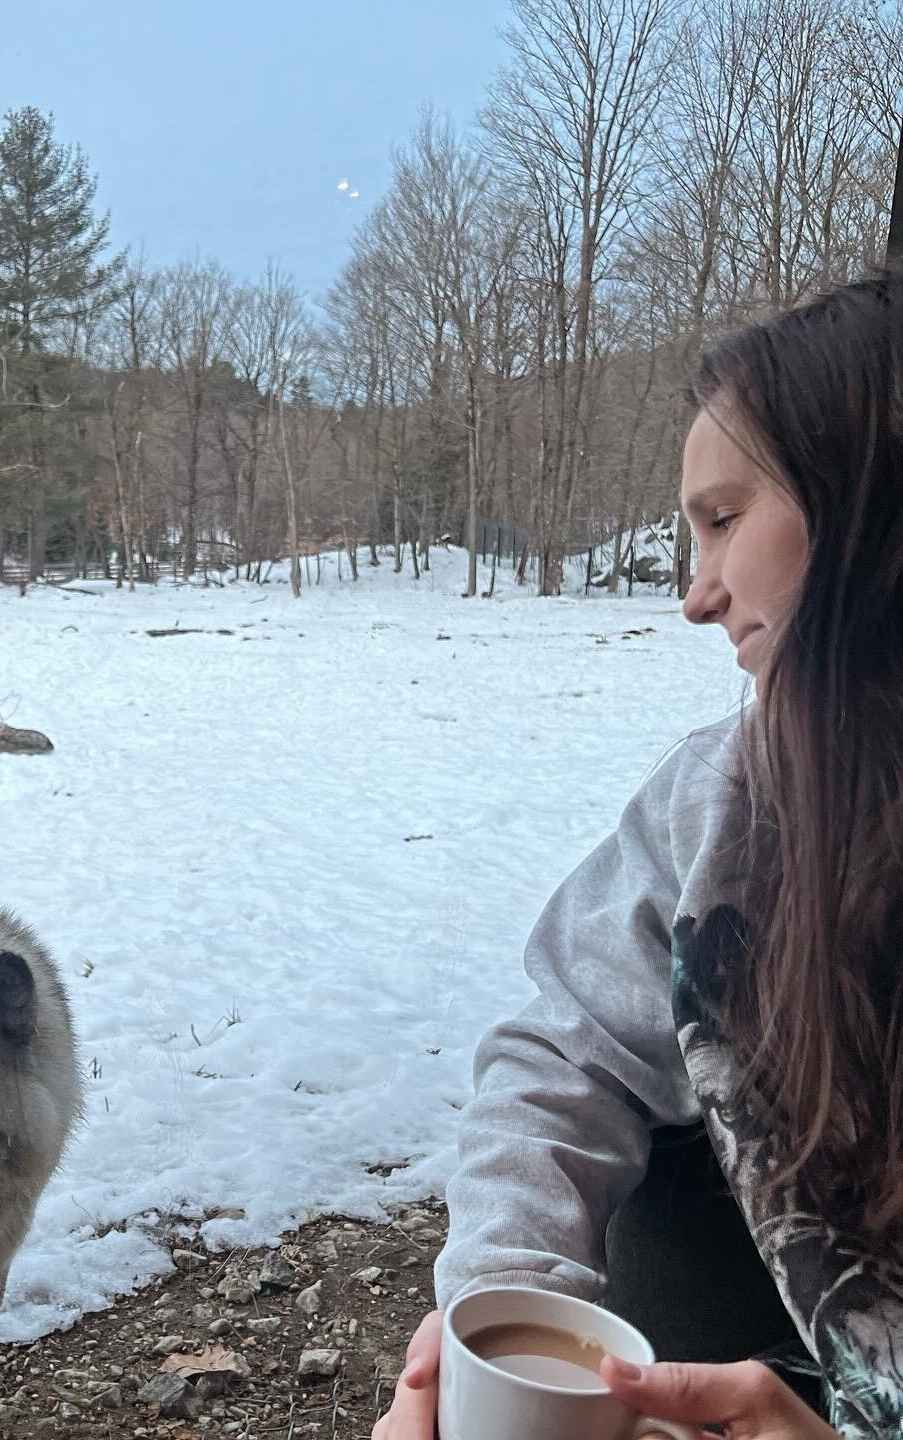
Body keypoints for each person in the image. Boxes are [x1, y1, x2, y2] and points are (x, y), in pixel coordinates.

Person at [375, 270, 903, 1440]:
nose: (697, 596)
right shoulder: (716, 801)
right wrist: (506, 1297)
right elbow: (565, 1047)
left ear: (870, 504)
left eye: (725, 520)